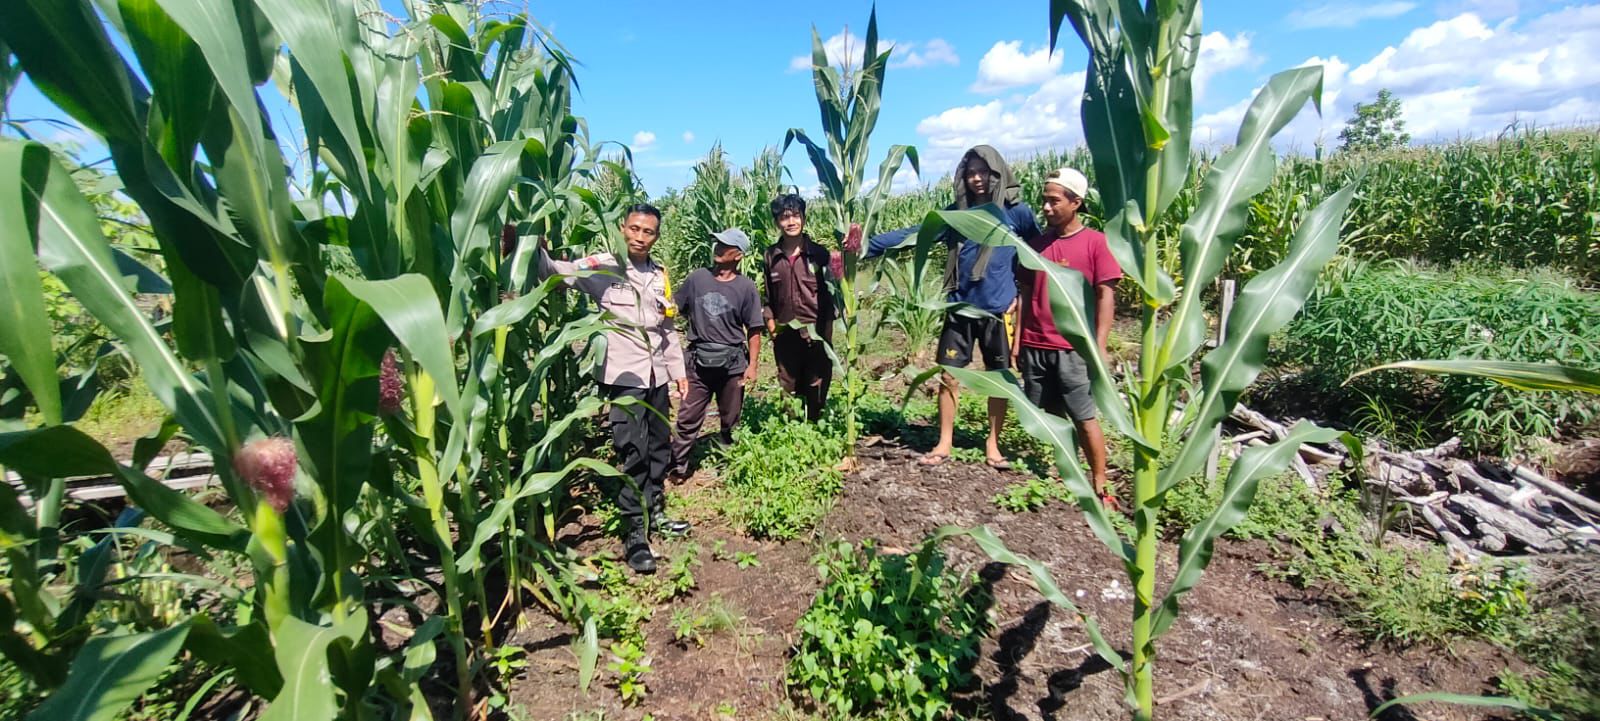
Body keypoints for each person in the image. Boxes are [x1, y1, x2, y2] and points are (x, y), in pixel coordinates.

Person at [538, 203, 690, 574]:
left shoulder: (658, 275)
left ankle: (655, 513)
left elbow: (666, 326)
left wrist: (678, 370)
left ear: (656, 236)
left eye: (648, 231)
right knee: (633, 452)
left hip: (656, 376)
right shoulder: (604, 266)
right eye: (635, 229)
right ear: (623, 228)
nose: (640, 237)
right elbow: (556, 272)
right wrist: (532, 246)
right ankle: (635, 534)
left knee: (657, 449)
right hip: (624, 376)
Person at [866, 145, 1039, 468]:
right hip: (959, 307)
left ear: (996, 173)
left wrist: (1020, 291)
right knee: (949, 376)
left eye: (982, 172)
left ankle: (994, 444)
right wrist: (867, 245)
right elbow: (916, 234)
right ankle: (944, 442)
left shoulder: (1017, 213)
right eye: (970, 173)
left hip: (997, 311)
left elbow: (1036, 254)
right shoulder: (955, 215)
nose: (976, 179)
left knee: (999, 378)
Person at [1014, 168, 1121, 507]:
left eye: (1053, 201)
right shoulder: (1036, 245)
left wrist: (1099, 345)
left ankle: (1101, 482)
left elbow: (1106, 296)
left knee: (1084, 416)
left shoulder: (1096, 244)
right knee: (1051, 413)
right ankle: (1065, 467)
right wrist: (1018, 339)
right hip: (1035, 343)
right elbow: (1025, 293)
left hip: (1072, 348)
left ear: (1076, 202)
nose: (1045, 207)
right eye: (1044, 200)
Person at [669, 228, 764, 477]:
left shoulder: (746, 287)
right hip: (698, 363)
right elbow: (674, 308)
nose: (718, 248)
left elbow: (754, 329)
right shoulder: (697, 279)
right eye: (717, 243)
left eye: (725, 245)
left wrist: (752, 365)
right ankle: (677, 465)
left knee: (730, 419)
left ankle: (727, 462)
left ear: (739, 255)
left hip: (732, 365)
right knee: (688, 417)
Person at [763, 194, 836, 422]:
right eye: (785, 218)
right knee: (788, 384)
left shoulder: (819, 254)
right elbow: (768, 296)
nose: (791, 222)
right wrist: (772, 325)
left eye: (796, 216)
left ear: (804, 218)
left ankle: (815, 426)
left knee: (817, 381)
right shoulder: (770, 256)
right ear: (777, 222)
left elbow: (832, 294)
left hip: (816, 332)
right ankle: (793, 430)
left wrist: (826, 332)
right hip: (785, 333)